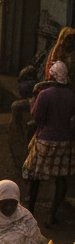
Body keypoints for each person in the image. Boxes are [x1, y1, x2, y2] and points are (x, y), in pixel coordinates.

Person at [25, 61, 75, 224]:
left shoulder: (44, 94)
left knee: (34, 176)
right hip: (65, 142)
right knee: (61, 179)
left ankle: (29, 211)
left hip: (45, 140)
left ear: (51, 75)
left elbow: (37, 116)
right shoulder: (71, 95)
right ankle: (51, 215)